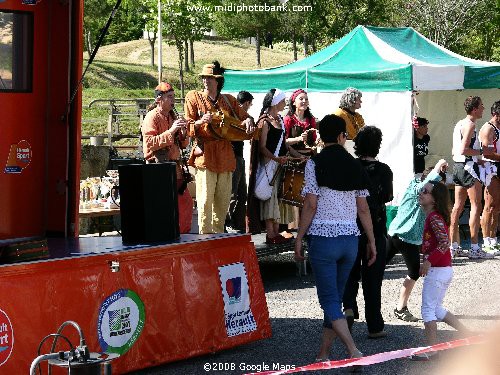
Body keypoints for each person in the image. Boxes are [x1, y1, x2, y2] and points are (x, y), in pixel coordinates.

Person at [294, 114, 376, 362]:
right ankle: (324, 353)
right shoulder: (356, 166)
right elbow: (363, 208)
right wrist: (371, 240)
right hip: (350, 240)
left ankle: (353, 351)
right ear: (342, 137)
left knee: (329, 301)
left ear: (320, 136)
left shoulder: (314, 164)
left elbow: (310, 204)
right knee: (335, 300)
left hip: (323, 239)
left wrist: (299, 236)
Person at [184, 61, 255, 234]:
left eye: (210, 78)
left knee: (223, 203)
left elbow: (246, 118)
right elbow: (187, 128)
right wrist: (200, 122)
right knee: (205, 202)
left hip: (225, 157)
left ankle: (218, 241)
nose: (206, 81)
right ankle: (205, 242)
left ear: (218, 80)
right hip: (206, 156)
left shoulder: (228, 100)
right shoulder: (193, 97)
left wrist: (248, 120)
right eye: (204, 78)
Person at [410, 181, 470, 361]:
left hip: (438, 271)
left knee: (427, 310)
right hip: (443, 270)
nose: (421, 193)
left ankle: (432, 350)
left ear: (435, 200)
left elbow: (445, 242)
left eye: (425, 192)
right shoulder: (434, 216)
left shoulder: (434, 217)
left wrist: (428, 261)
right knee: (436, 309)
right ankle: (468, 334)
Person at [342, 126, 393, 338]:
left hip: (350, 226)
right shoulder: (384, 170)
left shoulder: (349, 167)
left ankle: (349, 308)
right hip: (376, 224)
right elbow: (388, 197)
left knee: (349, 273)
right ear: (377, 146)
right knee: (373, 278)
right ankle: (375, 325)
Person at [387, 159, 448, 322]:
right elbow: (424, 186)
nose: (430, 193)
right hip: (397, 235)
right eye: (433, 188)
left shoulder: (425, 195)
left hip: (410, 239)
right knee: (374, 269)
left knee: (413, 272)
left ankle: (400, 307)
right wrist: (438, 167)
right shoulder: (416, 188)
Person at [141, 82, 193, 233]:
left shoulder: (172, 116)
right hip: (158, 171)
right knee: (163, 208)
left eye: (173, 97)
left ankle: (183, 238)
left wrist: (183, 131)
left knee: (185, 204)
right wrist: (171, 131)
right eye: (169, 97)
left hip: (175, 170)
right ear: (159, 99)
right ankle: (166, 240)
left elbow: (183, 145)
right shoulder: (151, 117)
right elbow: (150, 144)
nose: (173, 101)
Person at [256, 89, 303, 244]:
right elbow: (262, 147)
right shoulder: (265, 121)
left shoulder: (280, 120)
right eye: (283, 100)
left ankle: (276, 232)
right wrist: (275, 159)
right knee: (270, 199)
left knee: (277, 199)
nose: (285, 103)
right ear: (275, 102)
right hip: (269, 166)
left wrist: (299, 156)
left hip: (279, 165)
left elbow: (284, 144)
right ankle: (271, 234)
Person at [449, 96, 493, 259]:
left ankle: (454, 246)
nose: (483, 108)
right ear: (474, 109)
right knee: (476, 205)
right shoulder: (471, 124)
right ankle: (474, 247)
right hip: (468, 168)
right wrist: (483, 152)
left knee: (458, 206)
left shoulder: (459, 123)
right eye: (481, 106)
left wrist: (478, 158)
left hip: (459, 167)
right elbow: (463, 149)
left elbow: (457, 150)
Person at [225, 91, 254, 233]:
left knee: (242, 193)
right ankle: (228, 223)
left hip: (239, 157)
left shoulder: (244, 116)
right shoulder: (231, 114)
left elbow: (251, 122)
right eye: (250, 104)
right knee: (232, 193)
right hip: (232, 157)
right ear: (246, 103)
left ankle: (239, 225)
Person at [478, 101, 500, 255]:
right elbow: (486, 152)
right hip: (491, 169)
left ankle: (493, 239)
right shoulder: (488, 128)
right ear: (496, 114)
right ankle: (486, 241)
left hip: (498, 165)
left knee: (497, 207)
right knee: (489, 206)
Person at [283, 89, 317, 157]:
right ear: (294, 102)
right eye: (301, 99)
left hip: (309, 157)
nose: (304, 101)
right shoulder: (288, 119)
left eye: (306, 99)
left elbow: (314, 142)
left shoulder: (311, 120)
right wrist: (299, 139)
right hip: (293, 158)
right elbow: (283, 142)